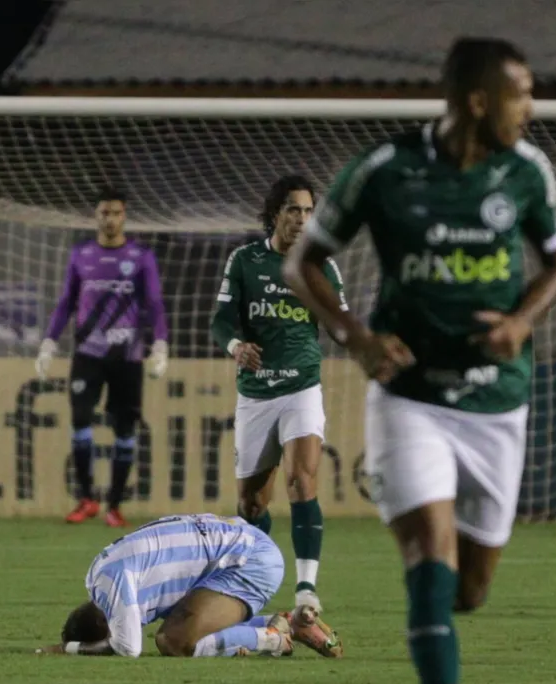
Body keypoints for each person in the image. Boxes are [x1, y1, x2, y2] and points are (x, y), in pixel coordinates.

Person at [281, 37, 556, 684]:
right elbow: (302, 261)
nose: (530, 109)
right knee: (428, 565)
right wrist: (354, 335)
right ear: (479, 101)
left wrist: (519, 324)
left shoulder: (526, 171)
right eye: (521, 95)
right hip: (410, 398)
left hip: (497, 403)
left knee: (468, 590)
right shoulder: (383, 171)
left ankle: (402, 495)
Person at [209, 175, 348, 614]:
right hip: (256, 394)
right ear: (276, 213)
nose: (302, 219)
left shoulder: (320, 266)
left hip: (301, 388)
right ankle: (259, 576)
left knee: (301, 480)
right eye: (294, 210)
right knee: (251, 504)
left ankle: (306, 589)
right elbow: (220, 321)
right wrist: (236, 346)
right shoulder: (245, 261)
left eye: (309, 211)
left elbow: (340, 324)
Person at [36, 187, 169, 527]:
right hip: (88, 354)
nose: (110, 219)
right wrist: (49, 341)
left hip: (127, 355)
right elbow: (67, 300)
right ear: (96, 216)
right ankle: (86, 499)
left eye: (116, 213)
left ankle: (114, 506)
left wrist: (161, 343)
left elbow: (154, 303)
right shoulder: (81, 254)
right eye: (104, 213)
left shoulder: (141, 256)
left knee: (125, 430)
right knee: (80, 419)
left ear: (124, 216)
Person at [35, 513, 343, 659]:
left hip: (248, 560)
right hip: (236, 541)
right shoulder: (97, 574)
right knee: (181, 621)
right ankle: (288, 624)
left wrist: (67, 649)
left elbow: (128, 648)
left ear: (105, 621)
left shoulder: (114, 588)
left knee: (173, 640)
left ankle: (271, 638)